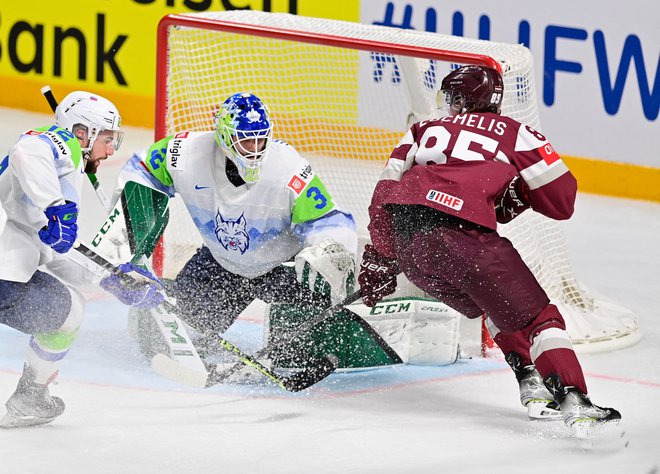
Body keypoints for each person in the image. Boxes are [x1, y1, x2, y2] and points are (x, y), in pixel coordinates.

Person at [357, 65, 623, 442]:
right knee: (540, 318)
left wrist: (380, 257)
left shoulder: (423, 128)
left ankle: (530, 381)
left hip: (411, 248)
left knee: (492, 302)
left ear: (460, 100)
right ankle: (574, 400)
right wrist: (523, 194)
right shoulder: (517, 133)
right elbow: (562, 201)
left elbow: (384, 193)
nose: (448, 106)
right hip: (465, 241)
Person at [113, 92, 357, 358]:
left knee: (298, 352)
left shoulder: (288, 167)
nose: (255, 150)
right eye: (246, 142)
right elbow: (141, 168)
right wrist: (131, 249)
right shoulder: (185, 153)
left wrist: (331, 248)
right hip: (221, 265)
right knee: (161, 341)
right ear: (226, 138)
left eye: (260, 140)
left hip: (282, 269)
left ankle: (319, 342)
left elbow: (327, 219)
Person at [0, 91, 164, 428]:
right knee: (69, 311)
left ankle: (31, 396)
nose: (109, 150)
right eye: (106, 138)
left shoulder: (59, 174)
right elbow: (26, 149)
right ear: (80, 132)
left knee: (71, 306)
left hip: (7, 271)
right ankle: (30, 394)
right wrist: (56, 207)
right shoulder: (59, 146)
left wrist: (113, 279)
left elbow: (57, 249)